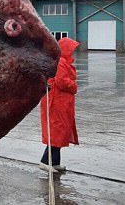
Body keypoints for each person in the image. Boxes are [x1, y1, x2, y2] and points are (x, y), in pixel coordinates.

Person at [40, 37, 80, 173]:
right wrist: (74, 85)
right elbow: (62, 81)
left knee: (60, 132)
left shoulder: (62, 61)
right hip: (56, 102)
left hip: (61, 102)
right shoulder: (61, 62)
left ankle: (55, 162)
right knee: (56, 131)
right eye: (72, 49)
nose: (73, 52)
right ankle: (46, 161)